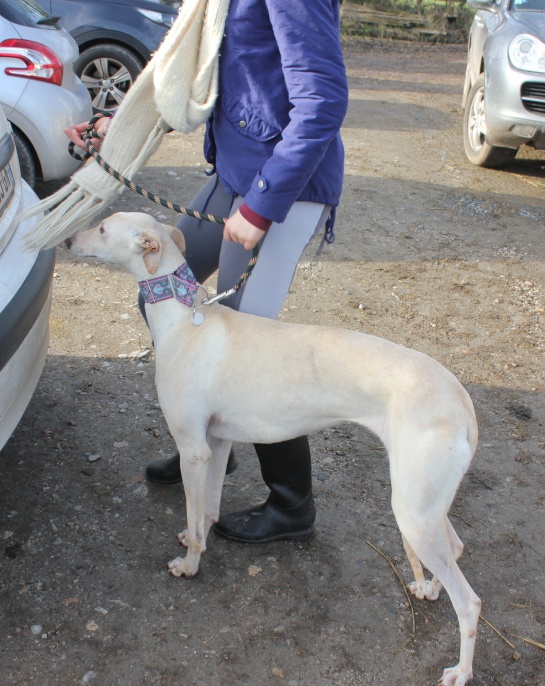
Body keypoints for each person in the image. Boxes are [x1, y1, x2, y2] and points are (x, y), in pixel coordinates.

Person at [66, 0, 348, 545]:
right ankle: (199, 429)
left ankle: (292, 504)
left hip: (280, 185)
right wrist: (116, 126)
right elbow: (184, 64)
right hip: (235, 169)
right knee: (159, 289)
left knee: (253, 349)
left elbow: (323, 100)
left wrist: (262, 204)